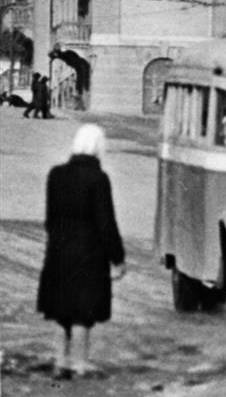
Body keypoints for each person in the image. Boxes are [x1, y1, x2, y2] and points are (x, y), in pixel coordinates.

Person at [37, 124, 126, 378]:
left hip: (58, 251)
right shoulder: (98, 179)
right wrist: (117, 258)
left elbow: (49, 219)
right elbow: (106, 223)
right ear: (99, 147)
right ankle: (79, 365)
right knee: (81, 313)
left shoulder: (56, 174)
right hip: (88, 255)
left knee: (60, 310)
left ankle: (59, 362)